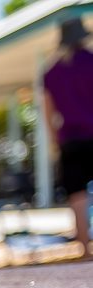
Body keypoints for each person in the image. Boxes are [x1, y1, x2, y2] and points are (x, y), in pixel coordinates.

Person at [43, 15, 93, 259]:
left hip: (70, 140)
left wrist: (56, 140)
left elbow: (48, 112)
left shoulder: (51, 71)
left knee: (77, 197)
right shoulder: (91, 62)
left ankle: (85, 249)